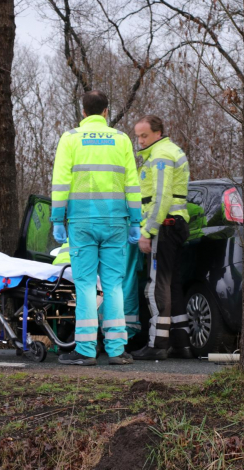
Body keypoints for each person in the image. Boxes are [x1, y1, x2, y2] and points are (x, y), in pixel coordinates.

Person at [50, 90, 142, 366]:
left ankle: (86, 349)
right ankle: (117, 349)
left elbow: (61, 180)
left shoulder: (71, 139)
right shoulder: (121, 139)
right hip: (116, 222)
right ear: (105, 112)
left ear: (83, 112)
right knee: (114, 285)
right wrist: (135, 220)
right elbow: (132, 183)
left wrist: (57, 218)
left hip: (81, 223)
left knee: (87, 285)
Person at [131, 116, 191, 360]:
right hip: (175, 224)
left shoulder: (160, 156)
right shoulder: (170, 150)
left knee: (156, 287)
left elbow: (161, 197)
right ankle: (181, 342)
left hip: (164, 227)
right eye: (137, 136)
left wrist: (148, 231)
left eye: (144, 136)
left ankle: (157, 344)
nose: (140, 141)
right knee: (172, 284)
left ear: (158, 133)